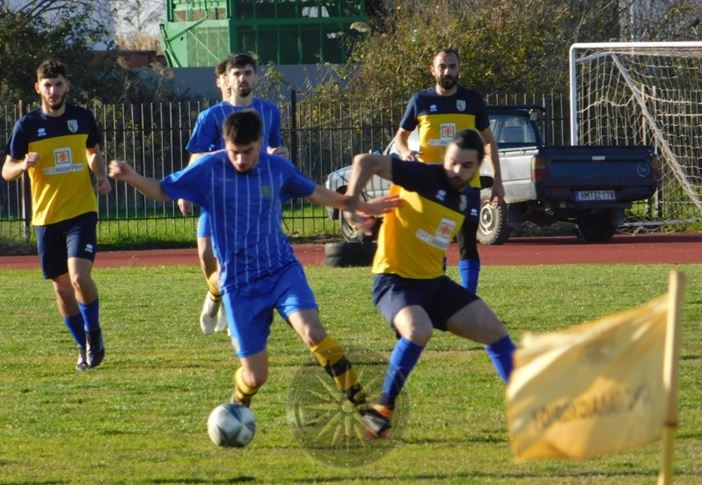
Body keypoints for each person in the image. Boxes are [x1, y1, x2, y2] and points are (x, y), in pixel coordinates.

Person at [108, 110, 398, 415]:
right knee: (256, 375)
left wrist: (359, 205)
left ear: (260, 142)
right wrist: (132, 177)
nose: (241, 159)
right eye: (234, 152)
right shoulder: (208, 170)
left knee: (313, 332)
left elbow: (316, 194)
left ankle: (364, 408)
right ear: (225, 144)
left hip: (281, 270)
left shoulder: (277, 169)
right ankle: (238, 403)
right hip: (239, 283)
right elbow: (162, 190)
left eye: (248, 151)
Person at [344, 128, 515, 439]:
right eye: (452, 162)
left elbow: (430, 234)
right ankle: (382, 409)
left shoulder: (467, 198)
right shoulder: (423, 176)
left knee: (494, 331)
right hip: (394, 280)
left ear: (477, 167)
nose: (457, 170)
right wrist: (352, 205)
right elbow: (364, 162)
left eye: (466, 165)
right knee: (418, 329)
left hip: (434, 283)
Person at [2, 59, 112, 371]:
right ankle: (82, 345)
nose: (53, 90)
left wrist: (101, 175)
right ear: (38, 88)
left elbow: (92, 152)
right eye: (48, 85)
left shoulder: (82, 118)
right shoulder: (26, 126)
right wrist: (23, 164)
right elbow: (6, 170)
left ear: (67, 86)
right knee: (62, 289)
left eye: (58, 84)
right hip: (46, 217)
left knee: (79, 277)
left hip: (81, 211)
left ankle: (94, 334)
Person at [182, 53, 289, 335]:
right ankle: (214, 294)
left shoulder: (269, 112)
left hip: (254, 199)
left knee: (241, 261)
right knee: (206, 256)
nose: (242, 78)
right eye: (237, 74)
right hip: (217, 196)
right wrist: (185, 189)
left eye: (247, 73)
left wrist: (280, 154)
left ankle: (237, 313)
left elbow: (275, 150)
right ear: (226, 80)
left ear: (256, 77)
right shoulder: (211, 116)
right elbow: (196, 157)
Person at [394, 48, 504, 295]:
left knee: (468, 243)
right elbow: (400, 137)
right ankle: (435, 294)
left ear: (459, 69)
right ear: (432, 70)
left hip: (468, 185)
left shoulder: (472, 101)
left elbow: (488, 141)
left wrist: (497, 180)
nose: (447, 71)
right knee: (434, 245)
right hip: (432, 186)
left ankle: (467, 298)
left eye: (452, 66)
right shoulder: (420, 101)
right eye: (442, 66)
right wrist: (405, 152)